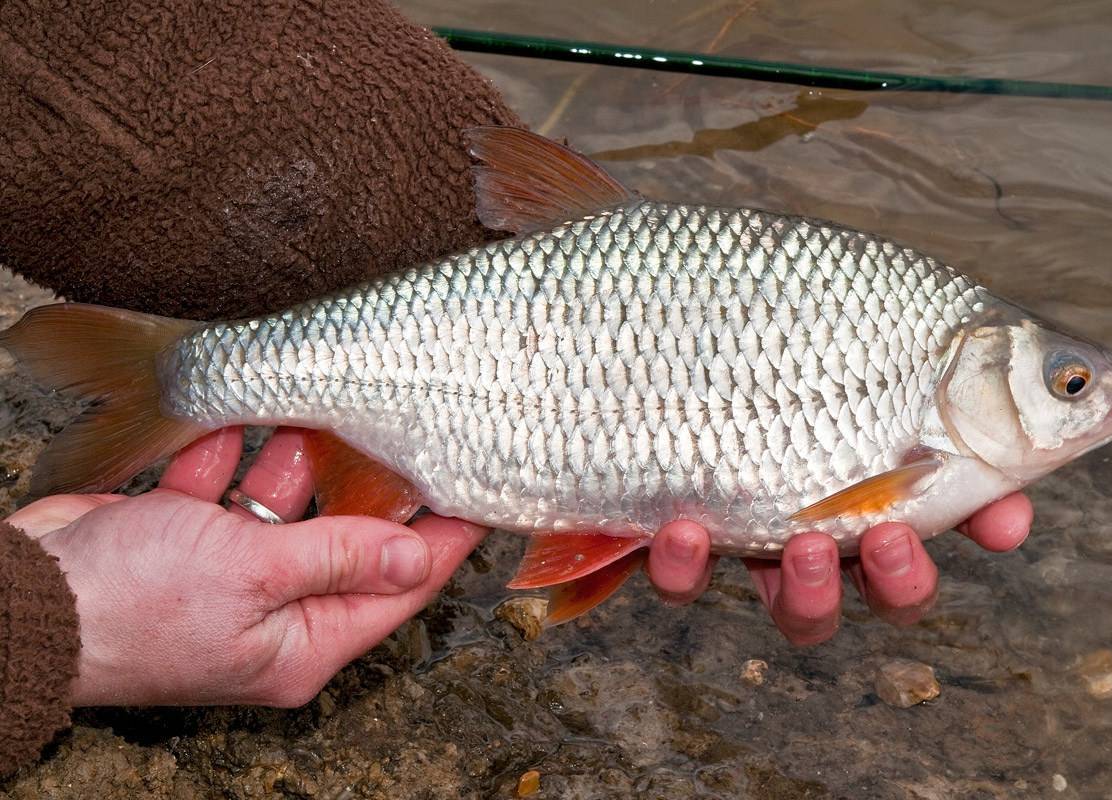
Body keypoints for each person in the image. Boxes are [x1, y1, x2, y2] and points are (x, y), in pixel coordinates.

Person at [0, 0, 1032, 776]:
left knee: (618, 539)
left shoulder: (913, 342)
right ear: (969, 366)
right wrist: (68, 620)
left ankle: (180, 376)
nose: (1093, 400)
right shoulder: (922, 410)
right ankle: (175, 375)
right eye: (1067, 382)